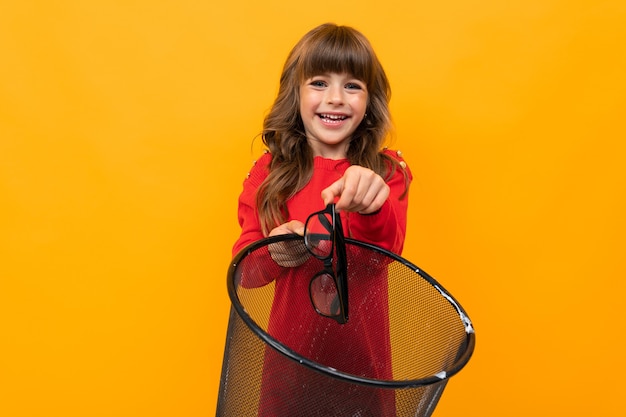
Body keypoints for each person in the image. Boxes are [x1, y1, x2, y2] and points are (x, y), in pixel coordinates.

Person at [232, 23, 412, 416]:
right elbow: (245, 271)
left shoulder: (386, 172)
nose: (335, 99)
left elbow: (383, 255)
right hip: (288, 376)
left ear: (370, 100)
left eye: (352, 86)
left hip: (364, 376)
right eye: (318, 82)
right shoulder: (270, 173)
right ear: (294, 93)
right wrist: (275, 248)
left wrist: (370, 206)